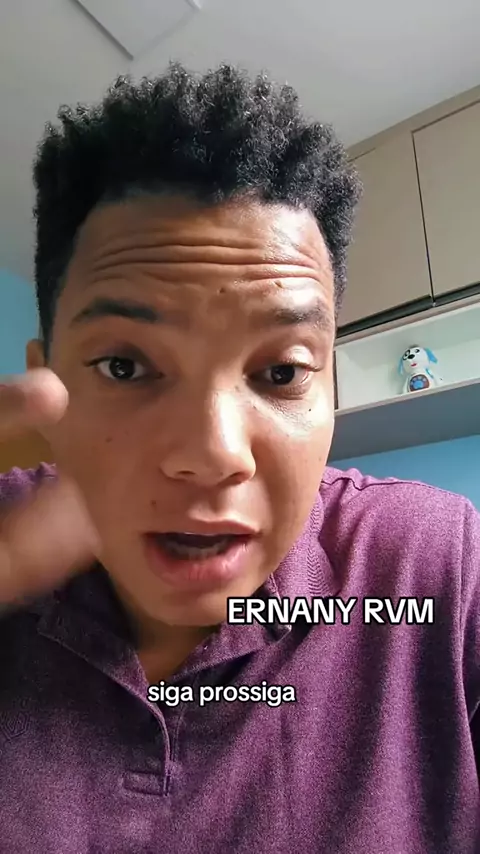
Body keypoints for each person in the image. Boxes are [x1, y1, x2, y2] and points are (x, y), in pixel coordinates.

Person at [0, 62, 478, 854]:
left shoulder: (435, 570)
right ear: (45, 381)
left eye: (281, 373)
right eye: (124, 365)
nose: (212, 456)